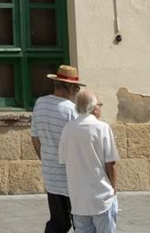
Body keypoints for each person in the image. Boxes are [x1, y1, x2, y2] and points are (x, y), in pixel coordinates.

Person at [31, 64, 83, 233]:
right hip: (72, 177)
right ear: (69, 87)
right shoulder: (72, 110)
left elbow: (35, 138)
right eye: (76, 88)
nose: (76, 92)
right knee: (80, 222)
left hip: (51, 174)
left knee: (58, 222)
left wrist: (46, 159)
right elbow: (79, 144)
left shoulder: (40, 103)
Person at [58, 88, 119, 233]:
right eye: (100, 104)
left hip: (79, 198)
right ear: (94, 107)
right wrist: (114, 188)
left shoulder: (68, 128)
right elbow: (111, 163)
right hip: (101, 195)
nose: (100, 108)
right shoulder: (102, 128)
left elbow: (63, 160)